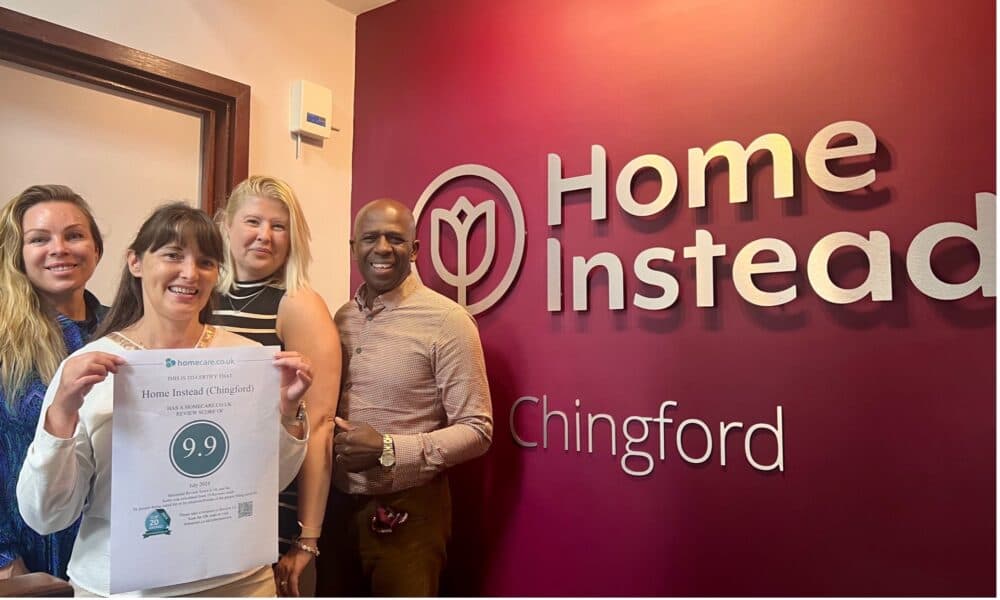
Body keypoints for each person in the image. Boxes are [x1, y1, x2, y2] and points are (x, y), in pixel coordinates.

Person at [16, 202, 313, 596]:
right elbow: (46, 515)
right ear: (135, 262)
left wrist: (287, 412)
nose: (190, 273)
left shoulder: (244, 358)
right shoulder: (90, 369)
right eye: (173, 255)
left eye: (206, 262)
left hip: (238, 580)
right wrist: (61, 414)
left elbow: (265, 483)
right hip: (123, 587)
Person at [328, 198, 493, 596]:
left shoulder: (448, 321)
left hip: (409, 513)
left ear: (415, 250)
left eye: (395, 239)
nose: (382, 248)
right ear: (353, 248)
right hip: (336, 509)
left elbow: (478, 429)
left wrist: (388, 448)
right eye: (370, 238)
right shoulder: (341, 317)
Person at [211, 176, 340, 597]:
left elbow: (318, 426)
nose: (264, 236)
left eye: (278, 226)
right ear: (226, 226)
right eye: (252, 221)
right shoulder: (201, 295)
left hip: (272, 508)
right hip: (208, 500)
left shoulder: (297, 303)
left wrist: (307, 538)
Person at [0, 184, 108, 581]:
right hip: (30, 562)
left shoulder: (127, 331)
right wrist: (6, 561)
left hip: (115, 560)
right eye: (39, 239)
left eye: (74, 235)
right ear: (19, 255)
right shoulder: (4, 345)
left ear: (96, 249)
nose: (59, 248)